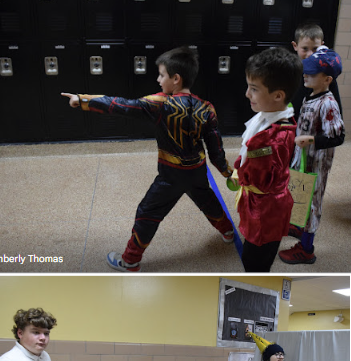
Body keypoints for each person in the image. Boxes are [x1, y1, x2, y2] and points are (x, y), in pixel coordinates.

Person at [60, 47, 234, 271]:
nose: (158, 79)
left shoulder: (160, 103)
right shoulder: (207, 108)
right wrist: (227, 172)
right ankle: (228, 231)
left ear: (176, 78)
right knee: (207, 200)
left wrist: (83, 100)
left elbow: (121, 105)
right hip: (197, 170)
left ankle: (130, 260)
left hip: (170, 175)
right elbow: (216, 149)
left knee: (148, 212)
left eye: (162, 75)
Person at [233, 47, 302, 272]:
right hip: (263, 201)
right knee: (254, 248)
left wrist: (239, 173)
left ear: (278, 95)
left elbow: (258, 179)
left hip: (266, 209)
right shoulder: (273, 117)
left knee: (256, 259)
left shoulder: (271, 140)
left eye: (254, 89)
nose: (246, 94)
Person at [279, 47, 344, 265]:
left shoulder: (328, 103)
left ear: (326, 79)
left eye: (312, 73)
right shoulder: (310, 97)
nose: (305, 75)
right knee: (299, 196)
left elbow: (338, 136)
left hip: (316, 164)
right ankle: (298, 227)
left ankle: (306, 249)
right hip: (303, 160)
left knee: (312, 204)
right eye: (305, 71)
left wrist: (311, 140)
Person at [289, 23, 343, 123]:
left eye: (315, 49)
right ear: (295, 46)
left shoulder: (326, 73)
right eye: (305, 49)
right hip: (292, 125)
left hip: (315, 128)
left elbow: (337, 109)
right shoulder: (289, 71)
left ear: (322, 46)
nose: (310, 54)